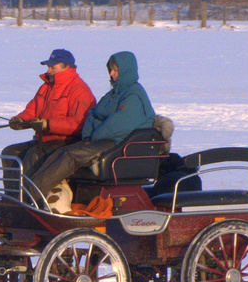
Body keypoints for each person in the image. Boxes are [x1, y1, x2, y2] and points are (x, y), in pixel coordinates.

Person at [29, 50, 156, 206]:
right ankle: (31, 193)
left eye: (116, 70)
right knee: (61, 152)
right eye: (110, 69)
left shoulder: (134, 95)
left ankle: (29, 195)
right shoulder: (113, 94)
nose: (112, 73)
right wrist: (88, 135)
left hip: (118, 144)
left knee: (71, 155)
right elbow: (92, 114)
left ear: (126, 71)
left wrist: (94, 134)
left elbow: (118, 125)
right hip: (101, 139)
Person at [1, 48, 95, 200]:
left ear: (67, 67)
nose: (49, 70)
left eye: (53, 67)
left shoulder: (79, 89)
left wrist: (47, 125)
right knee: (10, 152)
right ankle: (12, 198)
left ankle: (26, 200)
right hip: (44, 139)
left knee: (33, 155)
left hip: (66, 142)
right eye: (48, 67)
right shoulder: (47, 86)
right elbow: (33, 109)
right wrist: (21, 120)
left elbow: (78, 123)